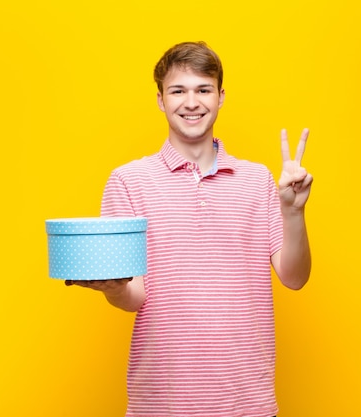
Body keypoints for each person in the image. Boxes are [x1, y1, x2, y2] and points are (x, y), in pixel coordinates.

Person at [66, 41, 312, 417]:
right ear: (161, 100)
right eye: (178, 90)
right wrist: (113, 288)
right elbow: (133, 297)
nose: (191, 102)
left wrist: (293, 213)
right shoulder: (128, 181)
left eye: (203, 89)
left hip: (249, 402)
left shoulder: (258, 180)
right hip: (161, 404)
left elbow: (295, 278)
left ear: (221, 96)